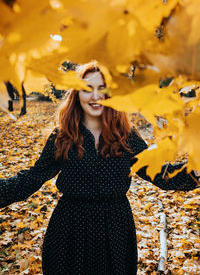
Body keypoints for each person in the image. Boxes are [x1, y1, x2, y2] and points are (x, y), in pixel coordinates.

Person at [0, 61, 199, 275]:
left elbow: (160, 173)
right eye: (87, 89)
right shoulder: (62, 137)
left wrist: (195, 170)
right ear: (76, 94)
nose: (95, 96)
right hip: (69, 230)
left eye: (103, 89)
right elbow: (32, 177)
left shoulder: (126, 137)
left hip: (115, 231)